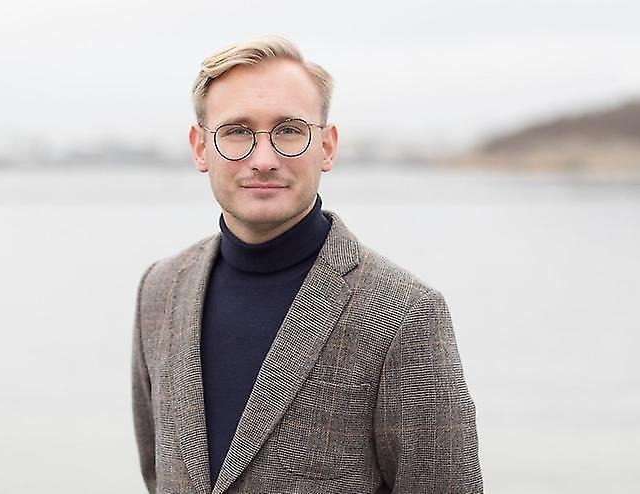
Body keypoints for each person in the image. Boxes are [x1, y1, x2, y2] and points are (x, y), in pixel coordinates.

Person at [132, 36, 483, 494]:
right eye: (236, 131)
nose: (263, 160)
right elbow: (158, 476)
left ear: (327, 146)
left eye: (289, 131)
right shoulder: (159, 290)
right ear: (200, 148)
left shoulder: (406, 313)